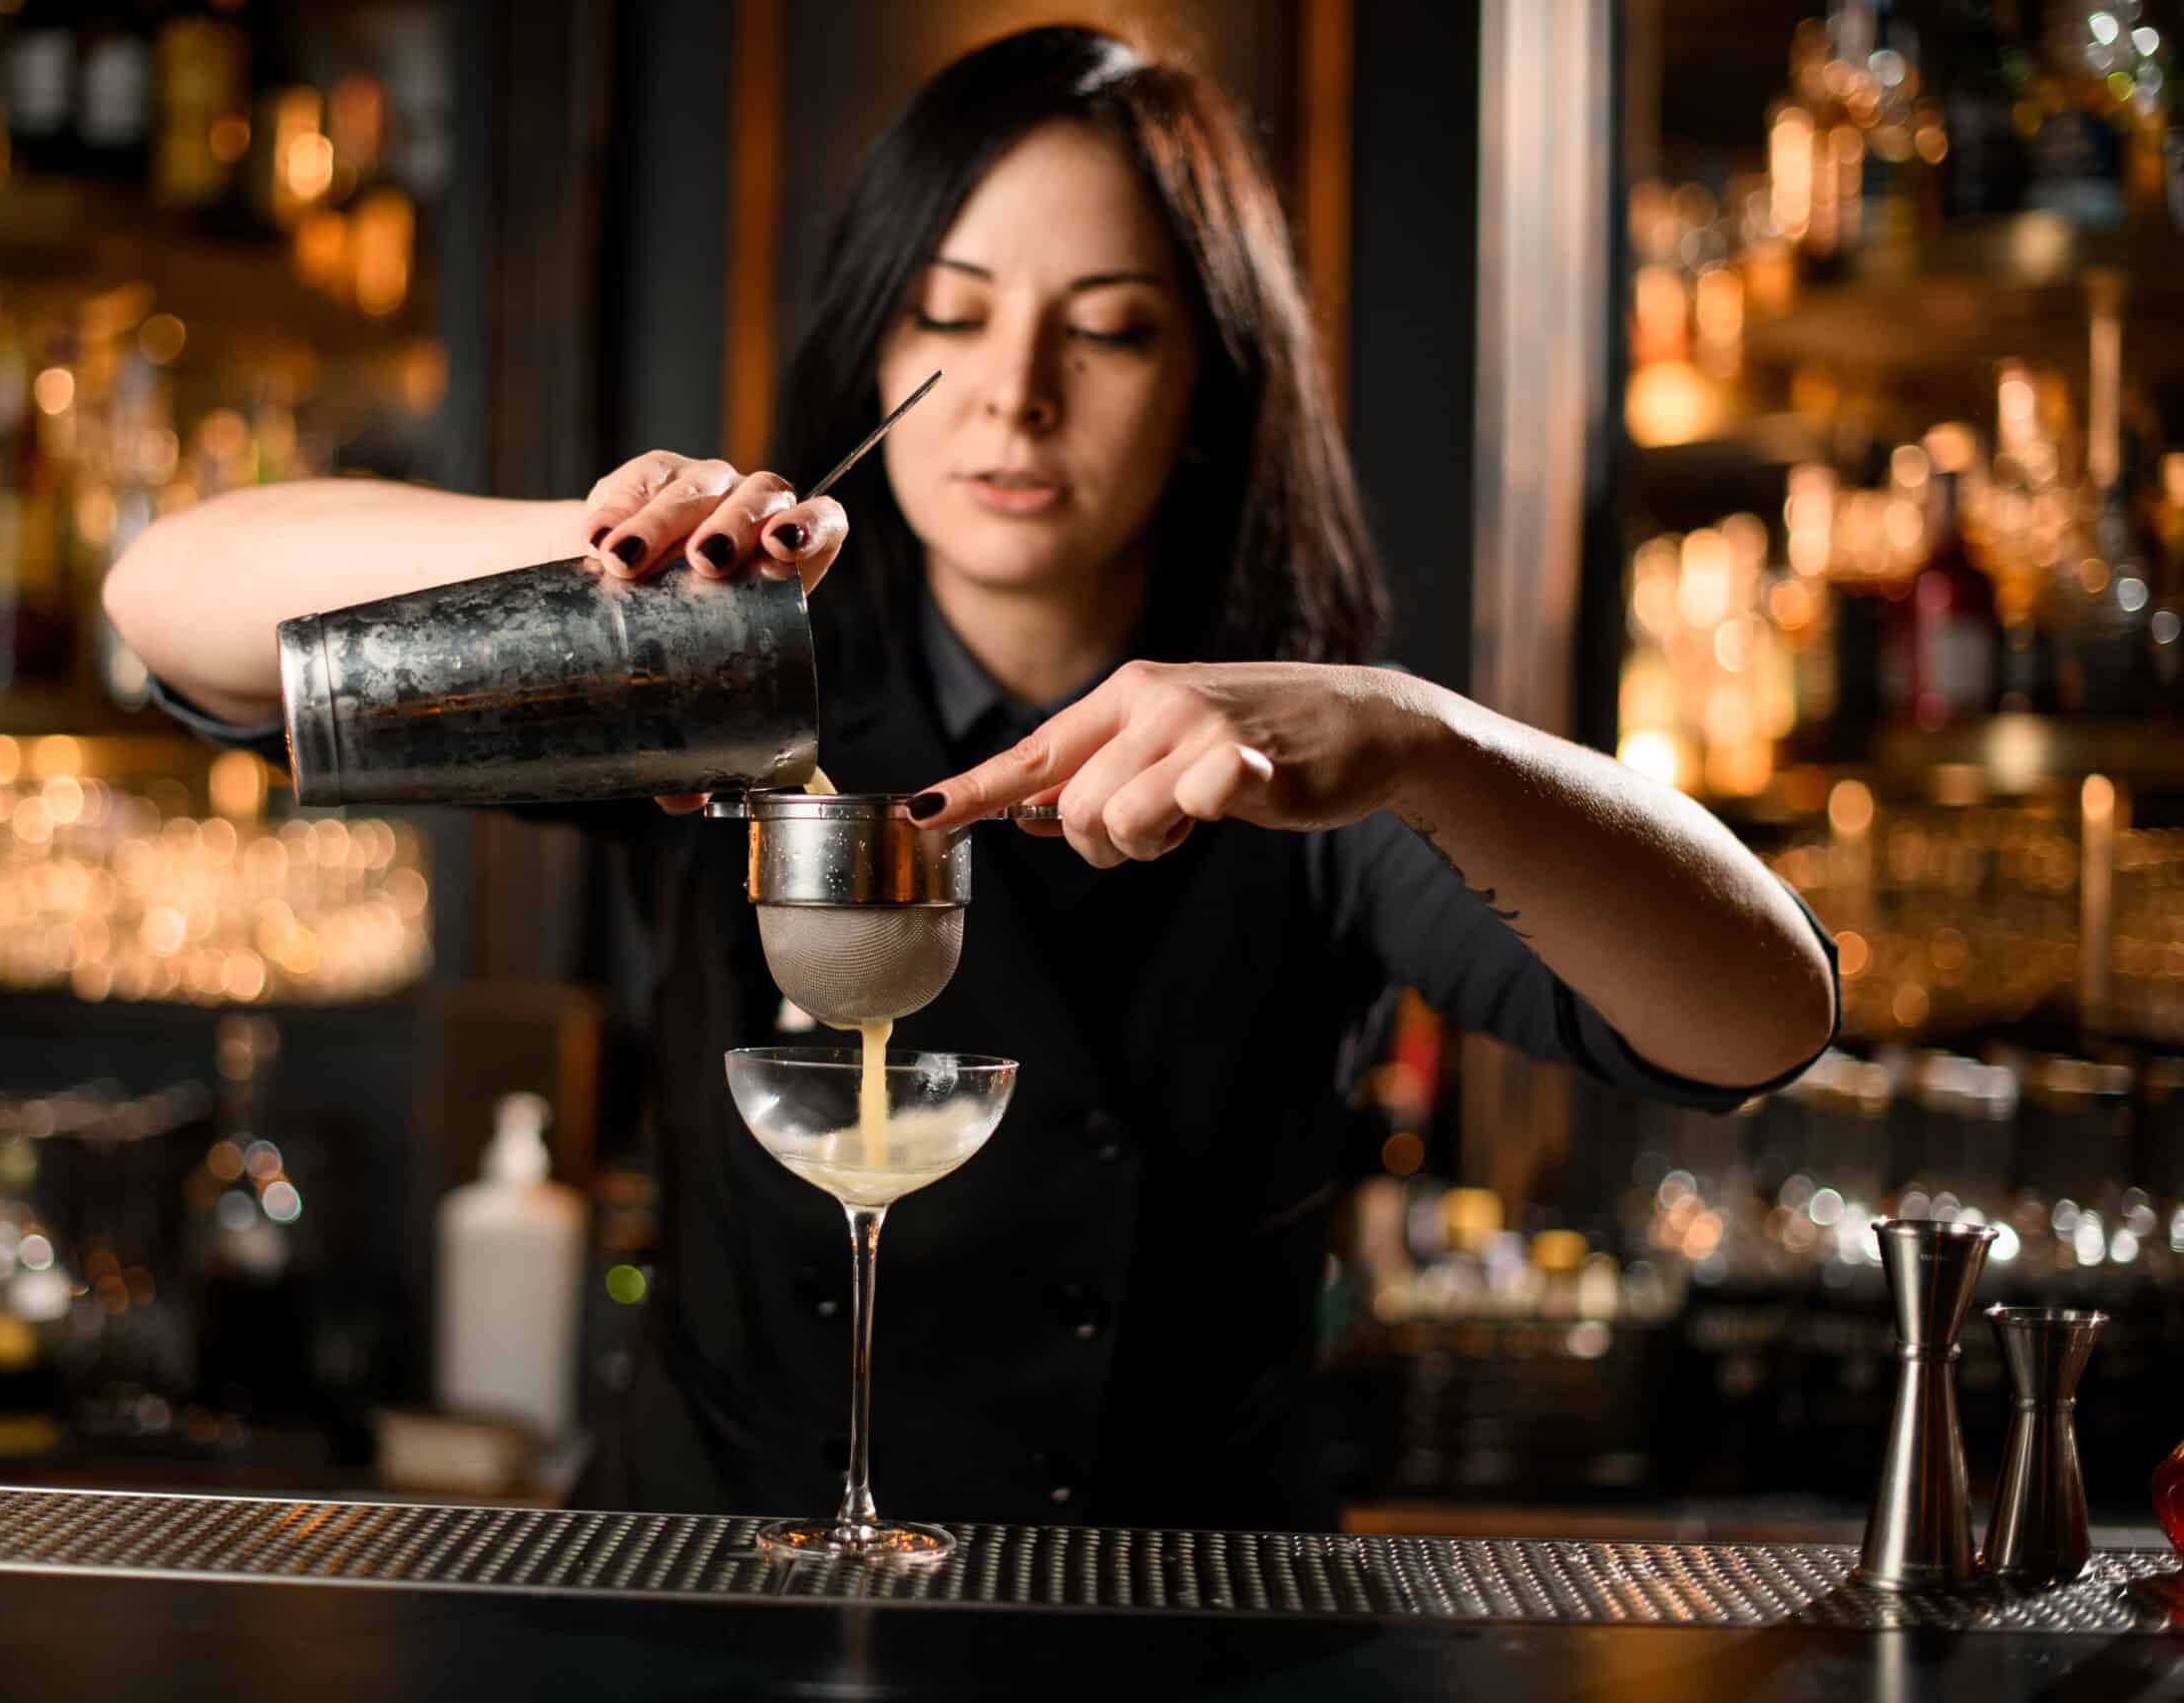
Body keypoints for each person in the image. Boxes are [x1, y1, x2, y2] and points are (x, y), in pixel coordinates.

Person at [105, 25, 1837, 1529]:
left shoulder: (1310, 762)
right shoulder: (726, 682)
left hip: (1173, 1631)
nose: (1013, 394)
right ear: (877, 343)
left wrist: (1429, 737)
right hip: (710, 1595)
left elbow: (1759, 1018)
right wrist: (595, 555)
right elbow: (167, 605)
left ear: (1211, 386)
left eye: (1112, 331)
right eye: (953, 314)